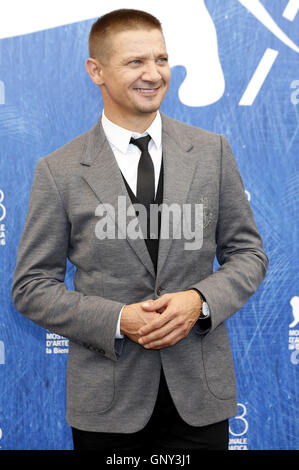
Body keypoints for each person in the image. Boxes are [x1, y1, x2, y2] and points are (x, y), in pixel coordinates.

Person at [11, 9, 268, 452]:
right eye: (135, 62)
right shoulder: (59, 170)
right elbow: (32, 287)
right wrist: (116, 320)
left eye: (162, 59)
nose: (154, 74)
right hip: (107, 405)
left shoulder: (213, 153)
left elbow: (249, 254)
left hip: (200, 399)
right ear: (97, 71)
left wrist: (200, 301)